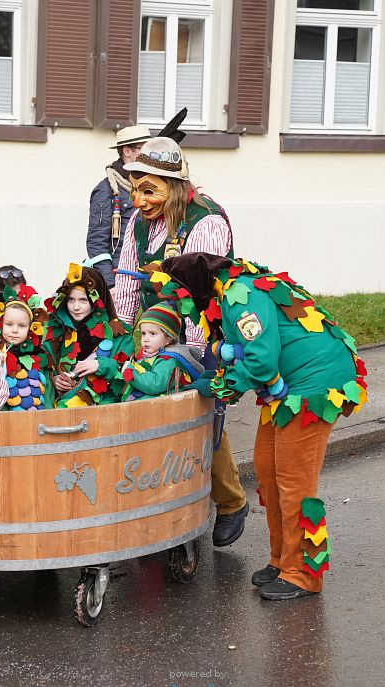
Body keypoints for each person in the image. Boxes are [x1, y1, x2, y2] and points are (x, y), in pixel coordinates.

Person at [147, 253, 367, 601]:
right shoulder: (225, 296)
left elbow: (261, 361)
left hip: (316, 385)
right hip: (285, 386)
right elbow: (243, 354)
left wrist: (217, 387)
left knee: (295, 481)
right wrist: (218, 376)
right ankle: (282, 561)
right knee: (267, 469)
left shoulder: (241, 295)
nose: (177, 305)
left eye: (179, 296)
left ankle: (305, 573)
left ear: (194, 288)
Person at [112, 134, 247, 548]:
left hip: (201, 329)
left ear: (172, 186)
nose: (138, 199)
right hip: (154, 326)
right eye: (134, 186)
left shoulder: (205, 220)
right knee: (149, 411)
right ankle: (161, 505)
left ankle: (230, 502)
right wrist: (121, 326)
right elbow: (126, 275)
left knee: (201, 414)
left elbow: (197, 288)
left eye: (147, 187)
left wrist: (186, 353)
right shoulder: (139, 221)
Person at [42, 263, 133, 407]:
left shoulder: (120, 333)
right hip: (56, 408)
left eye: (83, 300)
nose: (76, 307)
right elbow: (43, 364)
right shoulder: (55, 329)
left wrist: (101, 365)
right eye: (71, 300)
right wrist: (54, 379)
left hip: (103, 408)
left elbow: (128, 376)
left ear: (97, 300)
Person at [86, 125, 150, 287]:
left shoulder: (152, 186)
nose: (150, 155)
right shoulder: (106, 190)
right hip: (120, 275)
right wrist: (110, 284)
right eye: (144, 149)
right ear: (127, 151)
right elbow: (97, 242)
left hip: (146, 273)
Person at [0, 284, 53, 411]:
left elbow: (48, 395)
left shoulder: (39, 358)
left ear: (30, 328)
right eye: (9, 324)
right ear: (0, 324)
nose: (15, 330)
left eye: (22, 326)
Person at [120, 303, 203, 401]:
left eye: (152, 334)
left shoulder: (168, 361)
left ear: (168, 338)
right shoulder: (153, 355)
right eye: (143, 333)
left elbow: (155, 384)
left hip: (163, 409)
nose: (146, 339)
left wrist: (131, 372)